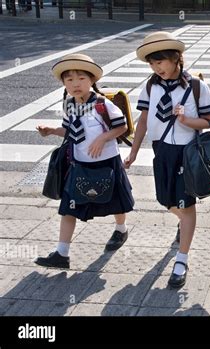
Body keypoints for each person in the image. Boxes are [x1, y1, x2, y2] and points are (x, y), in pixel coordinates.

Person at [125, 32, 210, 288]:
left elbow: (209, 122)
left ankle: (181, 259)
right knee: (165, 199)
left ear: (177, 58)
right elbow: (143, 120)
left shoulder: (197, 86)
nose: (157, 67)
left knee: (186, 206)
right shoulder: (151, 86)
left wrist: (186, 120)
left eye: (161, 61)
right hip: (161, 150)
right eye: (153, 63)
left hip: (187, 153)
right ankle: (183, 223)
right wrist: (134, 150)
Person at [35, 53, 134, 269]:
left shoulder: (102, 105)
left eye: (81, 78)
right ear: (64, 84)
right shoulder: (69, 104)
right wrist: (51, 131)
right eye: (69, 80)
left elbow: (122, 126)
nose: (75, 84)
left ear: (91, 81)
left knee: (116, 200)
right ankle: (62, 253)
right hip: (79, 164)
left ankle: (121, 229)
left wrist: (103, 137)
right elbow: (70, 131)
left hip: (107, 163)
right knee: (68, 207)